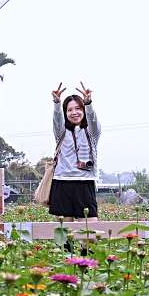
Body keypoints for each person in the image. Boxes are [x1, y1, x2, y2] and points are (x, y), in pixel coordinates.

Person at [49, 81, 101, 221]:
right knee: (64, 232)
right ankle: (66, 245)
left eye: (78, 108)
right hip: (62, 182)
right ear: (65, 113)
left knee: (90, 232)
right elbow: (57, 120)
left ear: (83, 110)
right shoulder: (61, 132)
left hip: (85, 182)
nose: (74, 113)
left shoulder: (92, 133)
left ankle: (84, 245)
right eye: (69, 110)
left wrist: (88, 104)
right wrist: (56, 103)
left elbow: (93, 121)